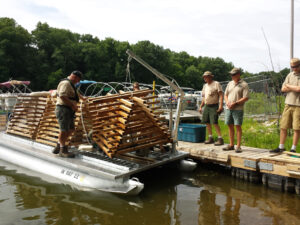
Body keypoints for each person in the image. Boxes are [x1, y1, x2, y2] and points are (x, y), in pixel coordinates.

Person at [270, 58, 300, 153]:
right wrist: (292, 87)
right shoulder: (289, 75)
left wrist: (289, 86)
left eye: (295, 66)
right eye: (292, 67)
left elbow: (299, 89)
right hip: (288, 103)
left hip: (298, 105)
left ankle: (293, 149)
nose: (293, 68)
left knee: (296, 127)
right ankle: (281, 147)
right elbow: (283, 89)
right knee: (283, 126)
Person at [53, 70, 84, 158]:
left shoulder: (70, 84)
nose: (78, 82)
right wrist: (72, 105)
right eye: (78, 80)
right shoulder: (66, 83)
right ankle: (63, 150)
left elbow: (75, 93)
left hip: (68, 110)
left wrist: (83, 98)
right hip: (63, 109)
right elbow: (62, 96)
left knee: (70, 129)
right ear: (75, 77)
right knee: (64, 130)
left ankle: (59, 145)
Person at [223, 68, 249, 153]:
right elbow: (225, 95)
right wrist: (227, 103)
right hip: (228, 108)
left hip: (238, 109)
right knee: (230, 126)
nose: (232, 76)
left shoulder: (244, 84)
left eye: (233, 74)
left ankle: (238, 146)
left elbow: (245, 97)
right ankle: (231, 145)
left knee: (237, 126)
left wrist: (235, 103)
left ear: (238, 74)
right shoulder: (229, 83)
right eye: (231, 74)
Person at [199, 71, 224, 145]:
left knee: (215, 122)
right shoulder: (205, 86)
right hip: (207, 105)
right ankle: (210, 138)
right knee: (207, 122)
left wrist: (220, 106)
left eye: (206, 77)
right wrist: (201, 106)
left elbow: (221, 95)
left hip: (214, 105)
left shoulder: (216, 84)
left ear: (210, 77)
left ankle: (220, 138)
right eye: (204, 77)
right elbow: (204, 97)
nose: (205, 78)